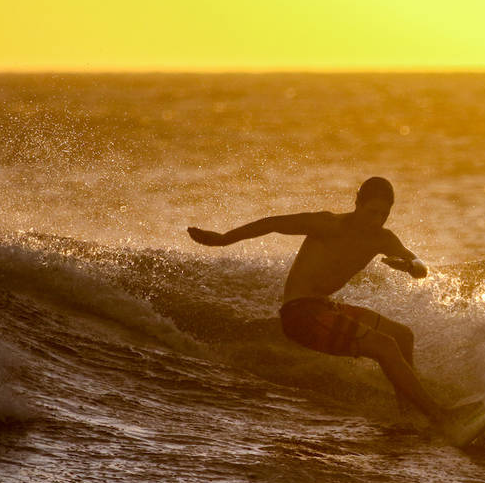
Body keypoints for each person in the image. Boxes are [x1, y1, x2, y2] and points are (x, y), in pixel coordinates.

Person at [187, 177, 443, 423]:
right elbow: (272, 223)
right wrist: (222, 240)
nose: (376, 220)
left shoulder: (383, 239)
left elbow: (421, 267)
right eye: (372, 212)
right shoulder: (326, 224)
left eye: (383, 215)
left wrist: (409, 266)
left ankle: (409, 415)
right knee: (385, 346)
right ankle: (438, 414)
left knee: (402, 336)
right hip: (300, 315)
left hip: (323, 308)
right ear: (357, 203)